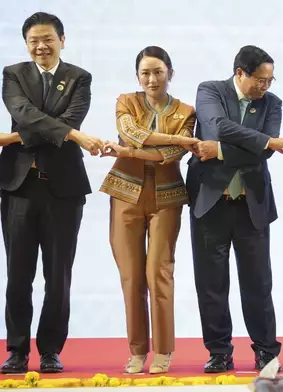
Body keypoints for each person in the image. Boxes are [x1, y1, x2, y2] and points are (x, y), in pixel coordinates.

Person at [0, 12, 103, 374]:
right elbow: (22, 112)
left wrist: (18, 135)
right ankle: (15, 351)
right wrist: (71, 136)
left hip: (63, 189)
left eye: (48, 39)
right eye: (33, 41)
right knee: (18, 274)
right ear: (26, 43)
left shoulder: (79, 77)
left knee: (58, 275)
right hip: (18, 187)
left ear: (62, 39)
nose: (41, 46)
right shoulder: (13, 74)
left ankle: (50, 350)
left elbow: (71, 119)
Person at [187, 45, 283, 373]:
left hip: (251, 204)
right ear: (240, 73)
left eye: (270, 80)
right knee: (211, 283)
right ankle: (219, 351)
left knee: (258, 282)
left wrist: (221, 151)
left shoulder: (272, 103)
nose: (265, 86)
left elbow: (262, 153)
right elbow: (217, 126)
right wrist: (262, 142)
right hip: (211, 202)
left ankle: (266, 350)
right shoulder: (210, 90)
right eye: (260, 80)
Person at [98, 46, 199, 374]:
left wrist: (130, 151)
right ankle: (138, 350)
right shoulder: (126, 101)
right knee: (131, 276)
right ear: (138, 76)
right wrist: (171, 141)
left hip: (167, 199)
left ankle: (164, 350)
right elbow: (132, 132)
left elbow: (168, 155)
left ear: (171, 72)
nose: (152, 78)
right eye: (145, 73)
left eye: (158, 71)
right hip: (125, 194)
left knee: (159, 272)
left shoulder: (187, 111)